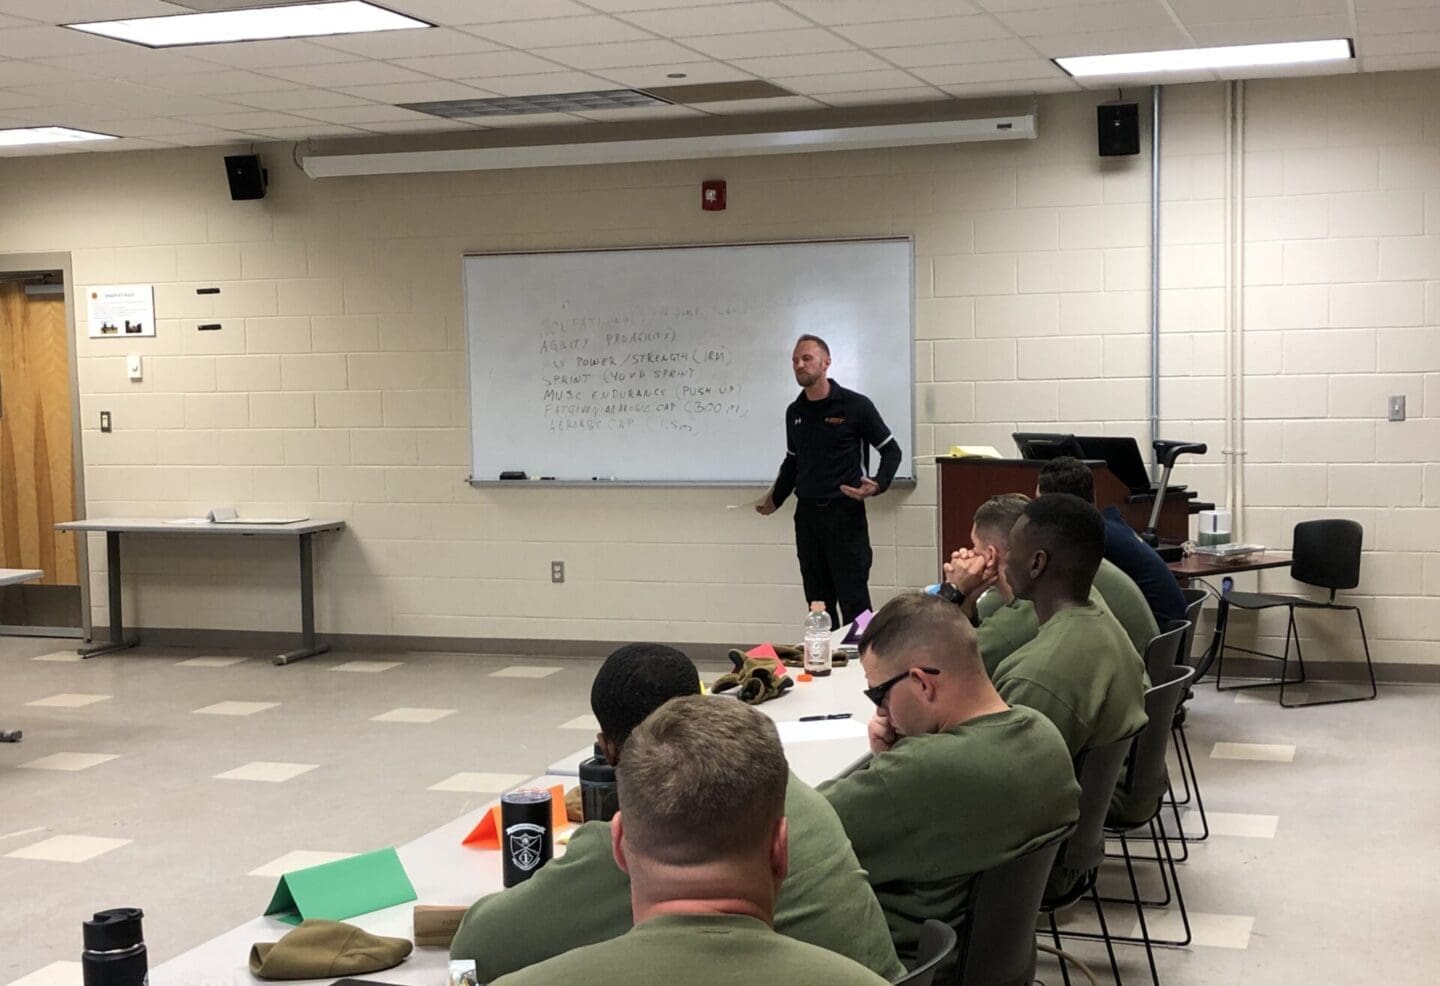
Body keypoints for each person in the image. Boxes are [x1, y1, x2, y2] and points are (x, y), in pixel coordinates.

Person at [452, 643, 902, 982]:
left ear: (621, 844)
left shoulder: (635, 845)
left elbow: (479, 948)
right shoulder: (785, 794)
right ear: (778, 847)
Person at [817, 593, 1079, 975]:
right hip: (996, 968)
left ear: (922, 683)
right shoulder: (1044, 736)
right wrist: (895, 756)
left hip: (901, 969)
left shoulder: (918, 774)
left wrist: (892, 765)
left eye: (879, 693)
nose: (881, 711)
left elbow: (800, 826)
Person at [757, 334, 902, 628]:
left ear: (826, 363)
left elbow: (891, 450)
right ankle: (828, 662)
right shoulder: (794, 412)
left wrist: (878, 483)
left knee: (855, 600)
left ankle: (863, 662)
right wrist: (775, 499)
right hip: (808, 517)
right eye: (795, 360)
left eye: (806, 358)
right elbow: (792, 461)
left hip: (844, 514)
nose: (799, 364)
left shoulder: (855, 406)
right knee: (817, 602)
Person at [993, 494, 1148, 759]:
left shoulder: (1034, 677)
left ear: (1036, 563)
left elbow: (1002, 775)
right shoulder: (1103, 624)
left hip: (1085, 800)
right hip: (1117, 795)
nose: (1005, 556)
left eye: (1011, 547)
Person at [939, 493, 1158, 674]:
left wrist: (953, 590)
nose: (966, 555)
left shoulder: (1025, 616)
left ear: (990, 556)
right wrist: (967, 602)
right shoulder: (1061, 586)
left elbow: (943, 665)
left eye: (973, 546)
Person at [1036, 456, 1187, 625]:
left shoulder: (1090, 540)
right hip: (1166, 636)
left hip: (1156, 640)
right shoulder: (1107, 527)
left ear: (1054, 506)